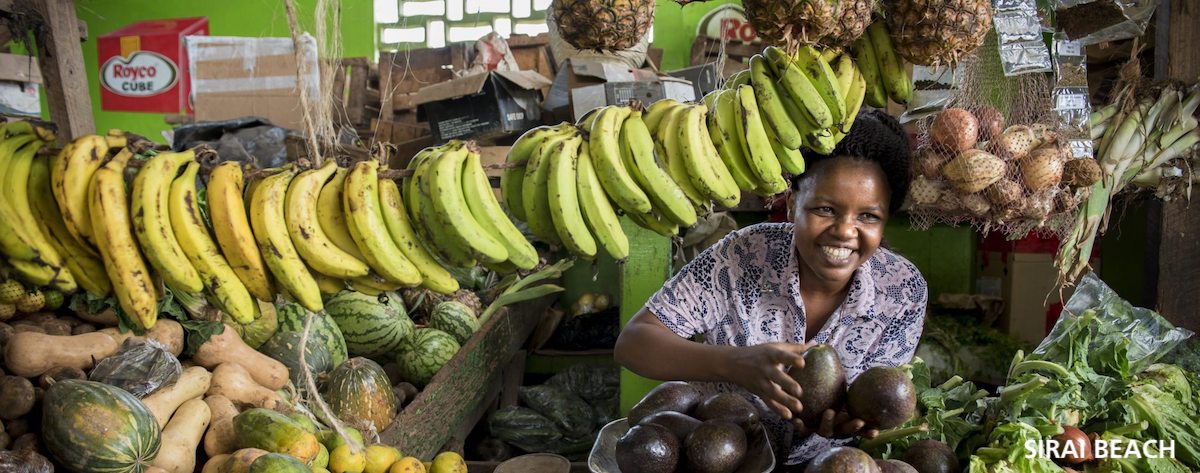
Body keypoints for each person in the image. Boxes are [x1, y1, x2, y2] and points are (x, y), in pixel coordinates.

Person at [613, 109, 928, 467]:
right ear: (793, 204)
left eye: (868, 216)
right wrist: (735, 364)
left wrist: (848, 422)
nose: (844, 230)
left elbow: (876, 399)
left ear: (885, 220)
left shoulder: (903, 290)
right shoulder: (742, 256)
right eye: (825, 209)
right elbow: (634, 344)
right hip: (715, 457)